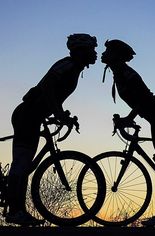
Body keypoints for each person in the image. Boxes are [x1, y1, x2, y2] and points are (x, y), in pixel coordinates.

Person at [6, 33, 97, 226]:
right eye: (91, 49)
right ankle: (14, 211)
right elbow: (47, 87)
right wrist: (58, 113)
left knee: (25, 166)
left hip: (33, 115)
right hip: (27, 115)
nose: (95, 53)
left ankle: (18, 210)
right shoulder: (68, 64)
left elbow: (54, 95)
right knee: (21, 163)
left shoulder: (74, 69)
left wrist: (62, 114)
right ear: (81, 51)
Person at [101, 39, 155, 226]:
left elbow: (143, 100)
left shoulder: (127, 74)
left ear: (117, 55)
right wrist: (128, 118)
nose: (104, 54)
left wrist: (129, 118)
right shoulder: (119, 73)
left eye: (108, 50)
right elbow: (140, 103)